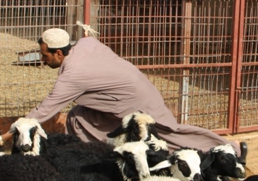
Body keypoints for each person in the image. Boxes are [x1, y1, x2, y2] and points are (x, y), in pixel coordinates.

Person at [25, 27, 242, 157]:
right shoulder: (84, 44)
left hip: (137, 100)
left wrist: (9, 133)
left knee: (168, 135)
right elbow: (92, 42)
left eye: (45, 56)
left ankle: (229, 150)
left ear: (58, 54)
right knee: (78, 116)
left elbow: (44, 110)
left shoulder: (72, 75)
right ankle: (94, 157)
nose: (43, 61)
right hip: (126, 95)